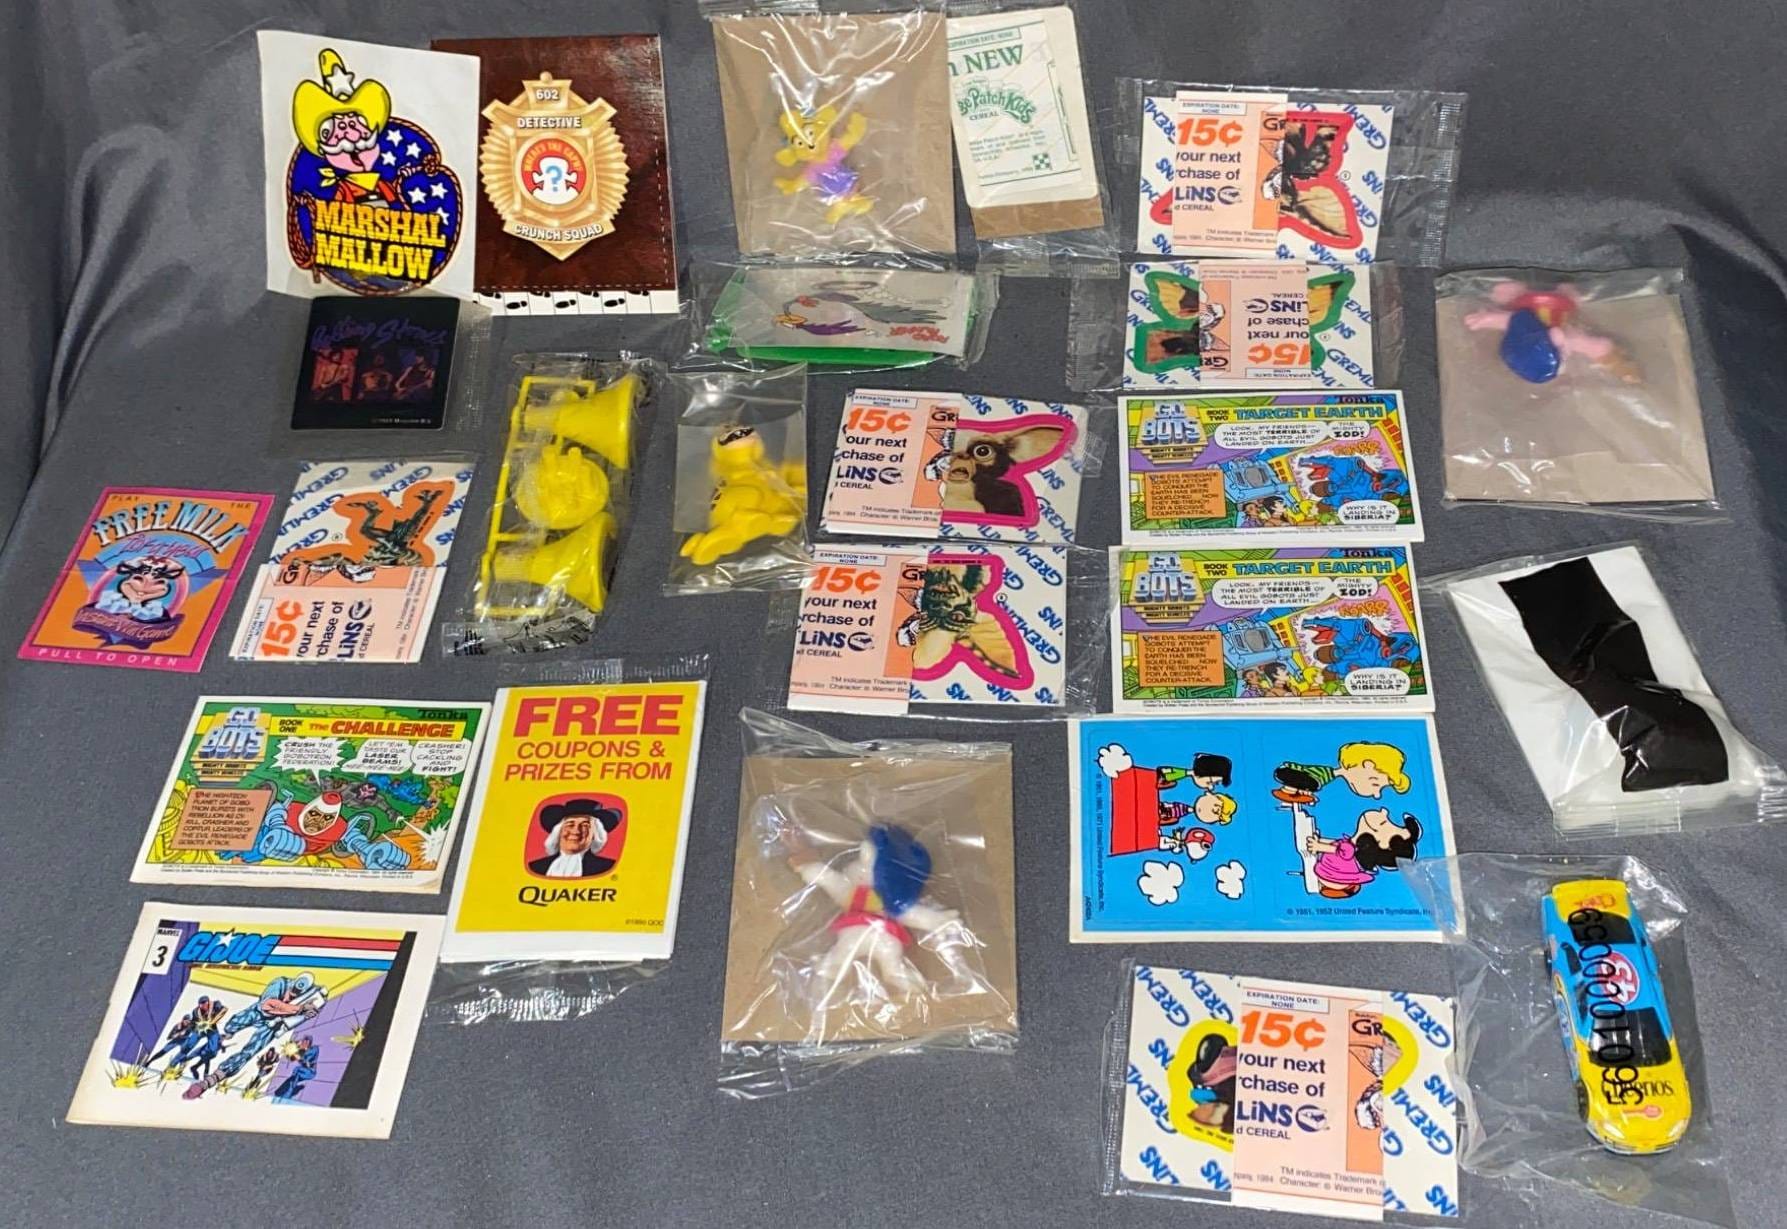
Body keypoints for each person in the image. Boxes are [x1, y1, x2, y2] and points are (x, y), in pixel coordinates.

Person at [1304, 808, 1422, 898]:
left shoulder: (1349, 849)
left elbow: (1335, 849)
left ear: (1377, 840)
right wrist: (1320, 841)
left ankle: (1330, 884)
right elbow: (1334, 844)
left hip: (1330, 873)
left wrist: (1318, 846)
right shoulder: (1349, 844)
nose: (1384, 811)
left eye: (1383, 823)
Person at [528, 800, 623, 878]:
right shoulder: (535, 867)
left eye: (585, 826)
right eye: (570, 824)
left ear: (595, 834)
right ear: (558, 831)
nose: (576, 831)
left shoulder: (608, 868)